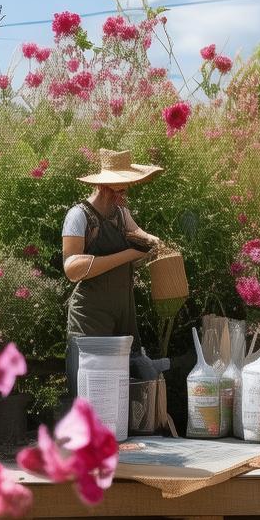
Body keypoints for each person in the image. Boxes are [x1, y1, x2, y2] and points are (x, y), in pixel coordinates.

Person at [61, 149, 166, 394]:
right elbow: (72, 268)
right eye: (120, 190)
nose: (124, 195)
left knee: (118, 393)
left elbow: (145, 239)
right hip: (90, 318)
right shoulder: (79, 216)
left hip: (122, 313)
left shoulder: (122, 215)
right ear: (104, 187)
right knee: (89, 391)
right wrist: (129, 254)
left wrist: (153, 243)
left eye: (125, 189)